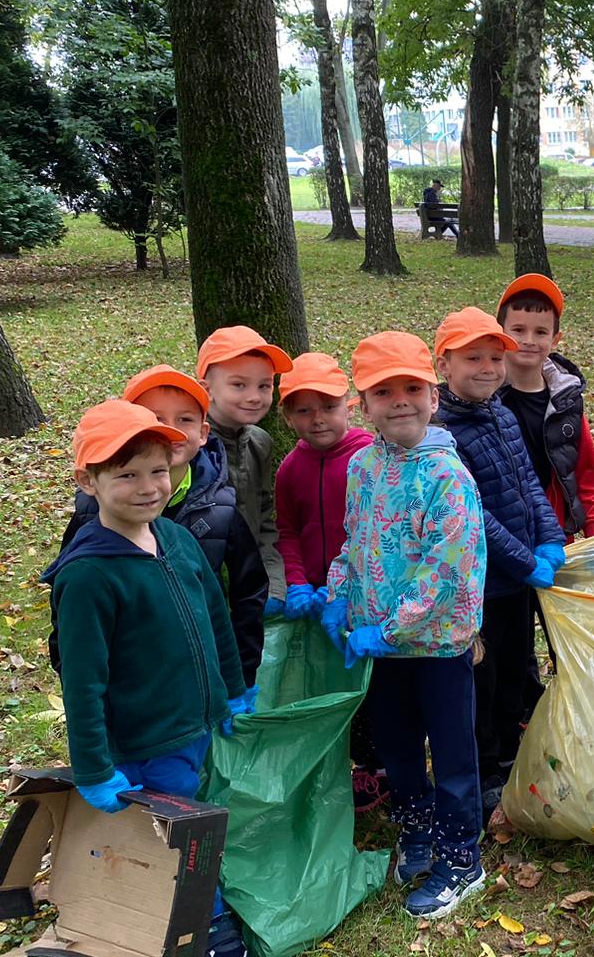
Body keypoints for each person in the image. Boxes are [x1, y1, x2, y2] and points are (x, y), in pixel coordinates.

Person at [42, 400, 256, 957]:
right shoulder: (87, 575)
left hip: (188, 729)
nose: (147, 487)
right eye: (126, 475)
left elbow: (214, 617)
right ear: (89, 481)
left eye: (158, 471)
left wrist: (231, 692)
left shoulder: (177, 540)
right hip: (134, 738)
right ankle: (181, 932)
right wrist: (93, 766)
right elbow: (82, 680)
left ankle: (183, 922)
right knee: (163, 839)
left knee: (187, 826)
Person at [321, 331, 488, 919]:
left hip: (437, 645)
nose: (399, 401)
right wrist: (338, 593)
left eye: (412, 388)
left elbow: (447, 570)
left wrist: (388, 628)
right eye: (383, 391)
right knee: (395, 747)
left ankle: (461, 856)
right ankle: (415, 831)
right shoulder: (363, 467)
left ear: (433, 396)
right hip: (380, 646)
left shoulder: (447, 476)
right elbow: (356, 542)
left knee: (451, 749)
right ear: (363, 404)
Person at [434, 307, 566, 823]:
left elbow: (530, 486)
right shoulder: (444, 431)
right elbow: (473, 515)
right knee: (481, 681)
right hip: (482, 584)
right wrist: (523, 560)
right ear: (444, 364)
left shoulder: (502, 413)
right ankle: (485, 770)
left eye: (494, 356)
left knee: (517, 665)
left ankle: (514, 755)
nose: (488, 367)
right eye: (473, 358)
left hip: (520, 579)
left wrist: (551, 539)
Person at [57, 364, 268, 688]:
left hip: (197, 675)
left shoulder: (220, 509)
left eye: (185, 419)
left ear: (203, 432)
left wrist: (241, 673)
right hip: (130, 681)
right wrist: (67, 662)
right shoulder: (91, 508)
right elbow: (68, 592)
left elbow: (246, 592)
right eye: (155, 419)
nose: (174, 431)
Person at [273, 352, 382, 810]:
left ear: (350, 405)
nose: (317, 419)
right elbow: (287, 532)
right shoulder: (289, 470)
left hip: (364, 596)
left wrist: (345, 589)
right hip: (314, 600)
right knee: (331, 681)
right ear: (287, 416)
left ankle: (380, 766)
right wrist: (296, 582)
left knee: (375, 685)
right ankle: (344, 763)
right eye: (303, 409)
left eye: (328, 406)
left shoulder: (368, 457)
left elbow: (375, 531)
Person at [495, 273, 594, 539]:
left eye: (541, 332)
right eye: (519, 330)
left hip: (556, 537)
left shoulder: (565, 402)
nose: (529, 340)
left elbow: (587, 474)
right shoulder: (485, 397)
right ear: (500, 332)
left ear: (555, 339)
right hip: (502, 539)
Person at [197, 325, 294, 609]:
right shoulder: (189, 448)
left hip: (248, 593)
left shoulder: (259, 443)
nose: (254, 396)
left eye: (264, 385)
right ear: (207, 389)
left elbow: (264, 519)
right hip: (201, 596)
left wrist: (273, 583)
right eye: (239, 385)